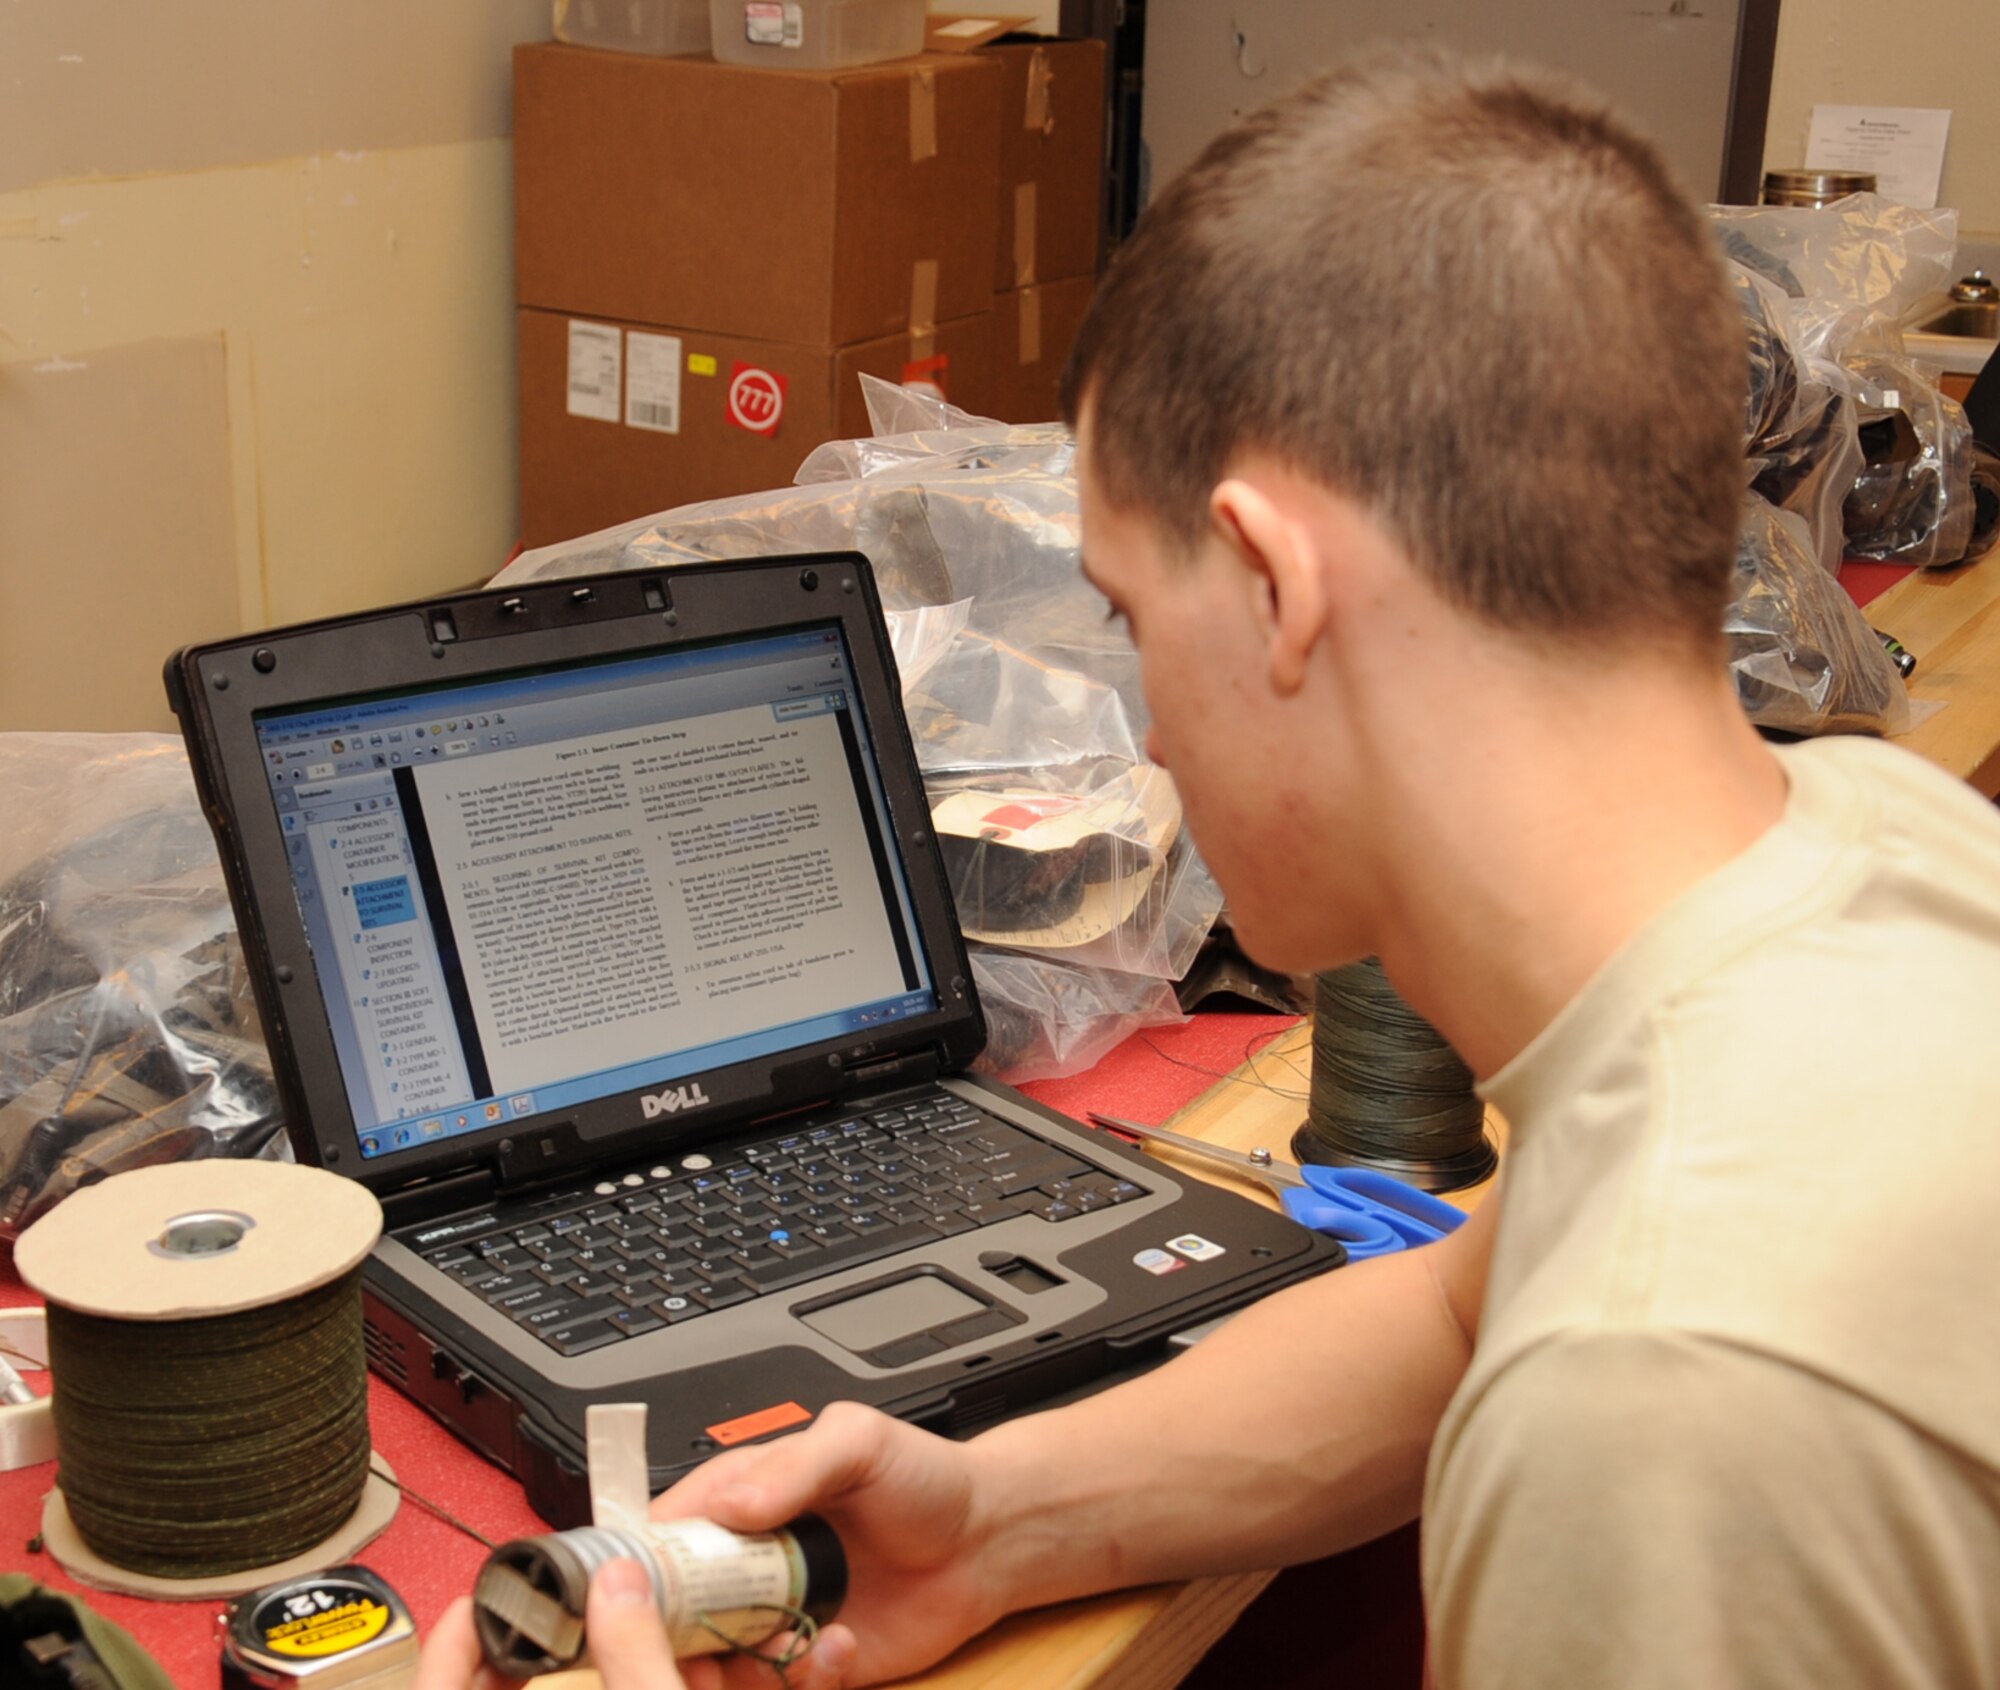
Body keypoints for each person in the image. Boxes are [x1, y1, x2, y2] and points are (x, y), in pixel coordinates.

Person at [417, 46, 2000, 1690]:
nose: (1146, 728)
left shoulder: (1658, 1400)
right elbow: (1467, 1304)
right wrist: (999, 1519)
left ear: (1271, 583)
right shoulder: (1888, 856)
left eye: (1128, 616)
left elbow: (1586, 1336)